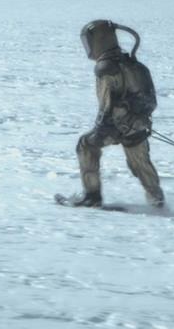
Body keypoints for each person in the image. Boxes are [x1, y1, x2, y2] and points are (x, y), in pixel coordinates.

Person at [66, 19, 164, 207]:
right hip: (138, 126)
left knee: (86, 146)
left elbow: (106, 105)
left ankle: (92, 196)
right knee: (140, 162)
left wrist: (102, 130)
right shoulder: (136, 65)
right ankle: (157, 200)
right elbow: (150, 101)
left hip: (114, 127)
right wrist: (139, 119)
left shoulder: (106, 69)